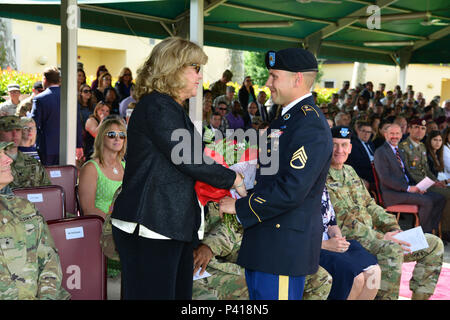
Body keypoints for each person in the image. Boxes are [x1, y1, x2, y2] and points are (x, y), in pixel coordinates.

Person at [110, 37, 247, 300]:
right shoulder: (158, 105)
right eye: (195, 67)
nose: (200, 76)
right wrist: (234, 179)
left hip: (168, 224)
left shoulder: (167, 107)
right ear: (172, 68)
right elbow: (188, 158)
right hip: (152, 224)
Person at [219, 47, 333, 300]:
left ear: (297, 78)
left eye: (274, 76)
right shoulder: (287, 120)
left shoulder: (308, 124)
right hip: (268, 241)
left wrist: (239, 207)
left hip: (283, 248)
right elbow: (269, 174)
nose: (268, 83)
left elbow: (291, 190)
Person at [326, 126, 444, 300]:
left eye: (344, 145)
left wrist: (393, 228)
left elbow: (370, 205)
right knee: (391, 250)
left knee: (433, 244)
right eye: (335, 145)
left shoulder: (350, 172)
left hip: (376, 236)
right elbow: (343, 224)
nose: (339, 150)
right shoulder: (321, 177)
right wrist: (383, 238)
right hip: (352, 240)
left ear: (350, 148)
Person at [192, 202, 333, 300]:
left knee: (321, 279)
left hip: (245, 241)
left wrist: (211, 246)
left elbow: (234, 224)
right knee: (261, 286)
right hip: (196, 258)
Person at [0, 141, 70, 300]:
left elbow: (49, 261)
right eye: (0, 155)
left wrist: (47, 296)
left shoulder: (24, 209)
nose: (8, 160)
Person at [374, 123, 445, 234]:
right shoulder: (381, 152)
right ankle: (425, 235)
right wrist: (408, 188)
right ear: (385, 135)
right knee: (427, 201)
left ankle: (432, 230)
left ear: (401, 135)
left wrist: (418, 187)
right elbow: (385, 179)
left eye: (397, 133)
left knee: (440, 198)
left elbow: (407, 174)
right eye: (391, 133)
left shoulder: (399, 150)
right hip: (392, 194)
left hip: (405, 191)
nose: (395, 136)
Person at [319, 186, 380, 300]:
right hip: (312, 248)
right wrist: (327, 244)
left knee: (374, 272)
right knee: (356, 278)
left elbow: (332, 223)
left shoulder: (322, 188)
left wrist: (338, 239)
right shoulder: (297, 190)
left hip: (331, 244)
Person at [398, 118, 450, 238]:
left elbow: (426, 170)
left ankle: (438, 229)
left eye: (422, 128)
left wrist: (436, 182)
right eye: (416, 127)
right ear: (409, 129)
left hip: (426, 183)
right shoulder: (403, 147)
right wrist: (430, 184)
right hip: (416, 185)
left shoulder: (421, 146)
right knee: (447, 194)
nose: (419, 131)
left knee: (445, 193)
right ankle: (442, 231)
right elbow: (407, 172)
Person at [31, 66, 83, 165]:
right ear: (59, 80)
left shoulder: (39, 99)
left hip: (46, 147)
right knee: (64, 177)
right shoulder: (70, 98)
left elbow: (34, 124)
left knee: (48, 177)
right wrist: (79, 145)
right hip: (67, 147)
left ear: (45, 80)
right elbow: (76, 123)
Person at [78, 118, 126, 219]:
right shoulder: (90, 168)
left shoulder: (126, 167)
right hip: (102, 227)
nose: (117, 139)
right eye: (112, 135)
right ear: (102, 137)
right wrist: (114, 225)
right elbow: (88, 210)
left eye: (121, 135)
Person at [0, 115, 51, 190]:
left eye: (18, 130)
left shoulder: (33, 163)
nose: (15, 134)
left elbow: (47, 191)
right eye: (8, 130)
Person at [345, 121, 375, 189]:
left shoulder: (371, 144)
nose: (366, 134)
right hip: (363, 177)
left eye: (368, 132)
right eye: (363, 131)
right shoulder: (353, 145)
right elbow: (352, 165)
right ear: (358, 131)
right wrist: (359, 179)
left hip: (375, 174)